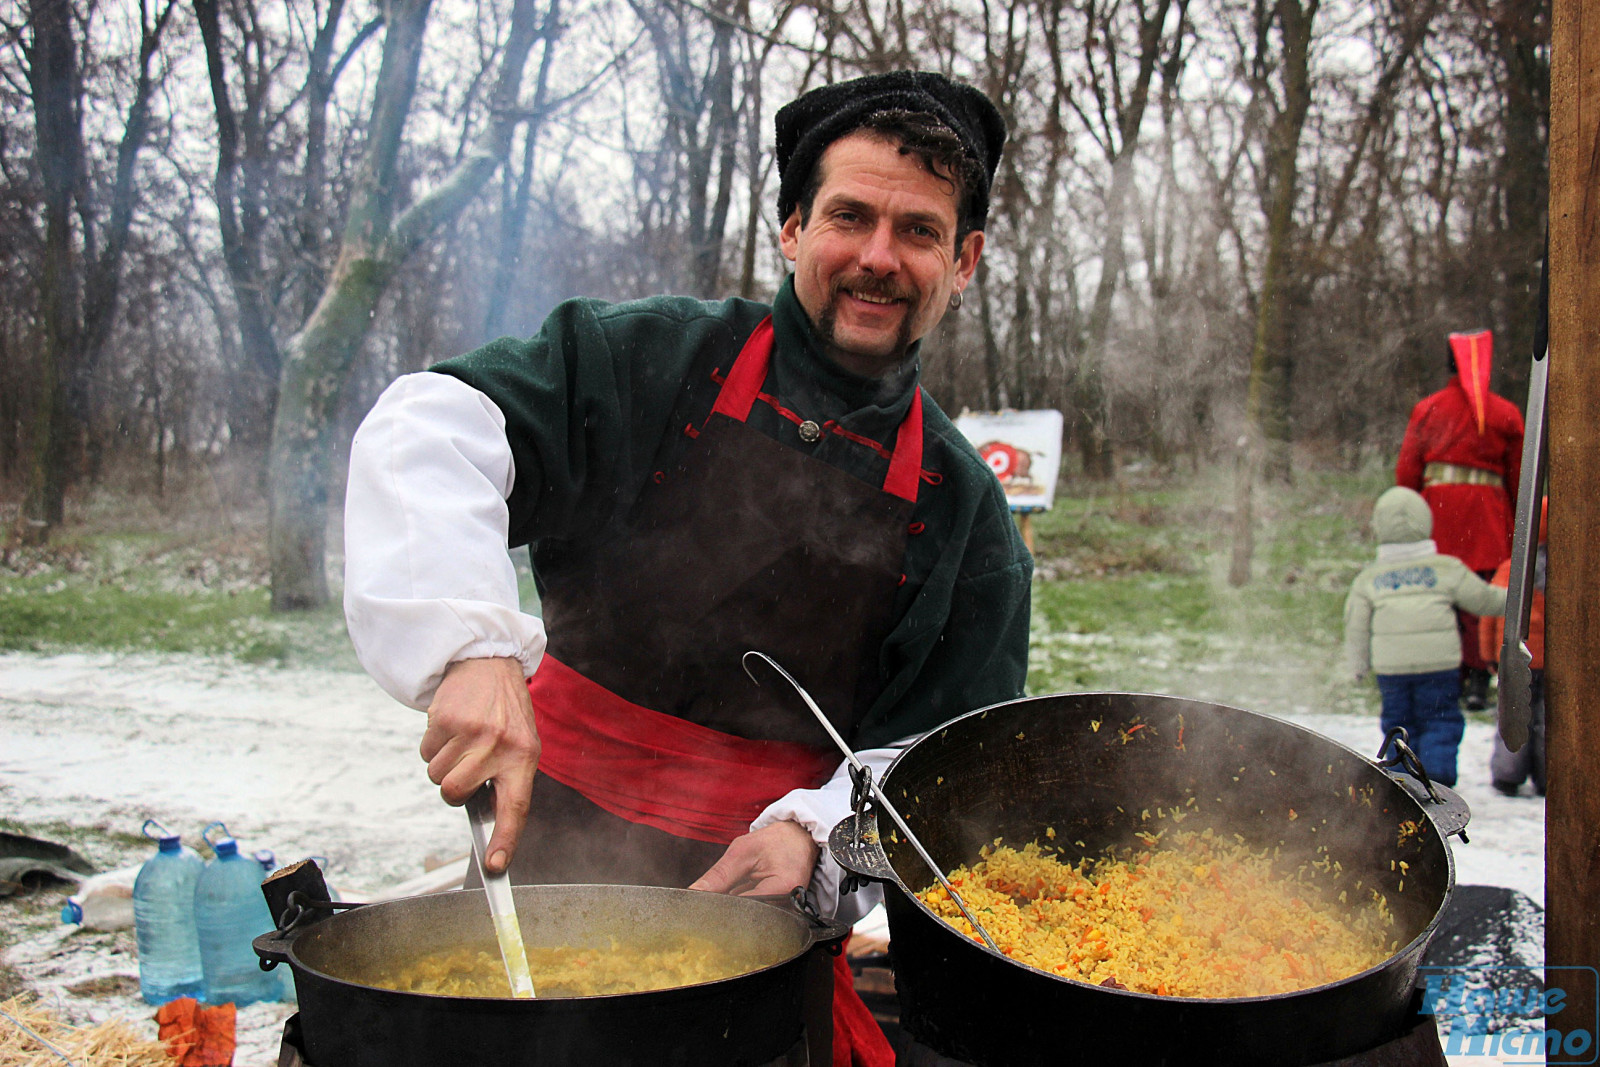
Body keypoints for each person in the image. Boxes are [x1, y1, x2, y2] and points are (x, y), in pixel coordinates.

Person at [342, 71, 1032, 1065]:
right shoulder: (647, 360)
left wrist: (819, 838)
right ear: (792, 228)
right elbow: (430, 427)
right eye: (849, 215)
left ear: (962, 260)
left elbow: (948, 763)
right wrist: (471, 649)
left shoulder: (967, 515)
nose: (879, 258)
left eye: (918, 231)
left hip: (765, 940)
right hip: (540, 876)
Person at [1395, 330, 1525, 710]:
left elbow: (1407, 471)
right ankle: (1478, 677)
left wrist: (1410, 516)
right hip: (1486, 518)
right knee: (1478, 599)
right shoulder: (1506, 413)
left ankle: (1445, 673)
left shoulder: (1429, 408)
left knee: (1438, 595)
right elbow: (1519, 477)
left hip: (1438, 515)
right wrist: (1515, 523)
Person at [1344, 486, 1507, 788]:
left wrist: (1358, 665)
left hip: (1392, 670)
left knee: (1398, 723)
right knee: (1440, 718)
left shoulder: (1369, 579)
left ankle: (1403, 783)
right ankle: (1439, 779)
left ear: (1379, 527)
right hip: (1438, 666)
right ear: (1426, 522)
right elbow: (1483, 600)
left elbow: (1356, 626)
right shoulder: (1445, 569)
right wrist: (1519, 598)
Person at [1480, 498, 1547, 797]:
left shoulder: (1511, 568)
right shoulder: (1571, 571)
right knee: (1548, 720)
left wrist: (1487, 654)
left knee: (1513, 715)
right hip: (1550, 660)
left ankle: (1507, 774)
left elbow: (1490, 615)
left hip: (1514, 655)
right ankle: (1548, 774)